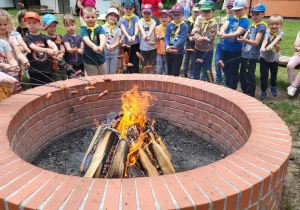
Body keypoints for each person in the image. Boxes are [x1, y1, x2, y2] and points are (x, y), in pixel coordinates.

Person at [219, 0, 250, 90]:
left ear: (245, 9)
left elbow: (237, 33)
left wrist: (224, 36)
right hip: (226, 48)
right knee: (225, 67)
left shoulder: (245, 21)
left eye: (238, 10)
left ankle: (232, 88)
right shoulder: (231, 18)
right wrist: (221, 31)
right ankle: (228, 83)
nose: (236, 12)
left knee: (233, 69)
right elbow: (224, 26)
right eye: (235, 10)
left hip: (236, 50)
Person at [237, 3, 266, 97]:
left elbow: (256, 42)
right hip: (245, 54)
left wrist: (245, 40)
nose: (254, 16)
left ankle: (250, 95)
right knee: (242, 76)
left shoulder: (261, 26)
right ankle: (245, 92)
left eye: (257, 14)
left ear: (263, 14)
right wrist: (241, 39)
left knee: (249, 76)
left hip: (252, 55)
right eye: (252, 14)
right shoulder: (251, 26)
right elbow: (244, 38)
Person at [23, 12, 58, 88]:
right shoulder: (27, 38)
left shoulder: (43, 36)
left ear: (40, 24)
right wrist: (47, 50)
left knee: (49, 89)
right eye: (29, 23)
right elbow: (34, 48)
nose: (32, 25)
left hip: (47, 69)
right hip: (35, 70)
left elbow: (50, 42)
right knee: (37, 89)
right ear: (26, 24)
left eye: (34, 23)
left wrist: (55, 48)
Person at [0, 9, 29, 91]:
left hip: (12, 71)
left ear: (9, 24)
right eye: (0, 24)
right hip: (1, 72)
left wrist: (24, 60)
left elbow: (18, 53)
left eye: (5, 24)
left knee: (14, 91)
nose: (2, 27)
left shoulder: (12, 38)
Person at [193, 1, 218, 82]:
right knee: (196, 68)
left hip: (207, 51)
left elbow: (208, 38)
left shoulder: (214, 24)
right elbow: (195, 31)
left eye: (208, 11)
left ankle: (211, 85)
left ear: (213, 12)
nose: (205, 13)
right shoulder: (200, 19)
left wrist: (197, 38)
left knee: (207, 69)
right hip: (197, 48)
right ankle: (195, 85)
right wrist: (198, 37)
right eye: (204, 11)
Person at [260, 14, 284, 100]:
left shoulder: (280, 32)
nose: (274, 26)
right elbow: (265, 39)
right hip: (264, 58)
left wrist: (271, 45)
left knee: (274, 74)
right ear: (268, 24)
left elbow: (277, 39)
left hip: (274, 58)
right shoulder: (267, 32)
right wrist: (263, 47)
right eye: (272, 24)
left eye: (277, 24)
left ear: (281, 25)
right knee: (264, 75)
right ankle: (263, 91)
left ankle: (273, 87)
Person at [81, 6, 107, 76]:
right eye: (87, 17)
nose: (90, 19)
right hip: (89, 60)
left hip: (101, 58)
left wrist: (101, 47)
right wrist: (94, 46)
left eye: (92, 17)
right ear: (83, 18)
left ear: (96, 17)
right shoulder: (83, 28)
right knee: (93, 79)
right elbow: (86, 39)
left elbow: (103, 37)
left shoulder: (99, 28)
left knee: (104, 77)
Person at [165, 3, 188, 76]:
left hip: (178, 52)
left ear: (182, 15)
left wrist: (174, 46)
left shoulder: (184, 26)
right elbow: (166, 36)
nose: (176, 17)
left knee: (175, 72)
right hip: (169, 50)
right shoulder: (169, 25)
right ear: (172, 15)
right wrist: (167, 46)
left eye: (178, 15)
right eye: (174, 15)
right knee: (169, 70)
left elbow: (182, 38)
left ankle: (174, 86)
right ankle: (168, 86)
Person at [43, 14, 67, 81]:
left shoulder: (59, 36)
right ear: (44, 26)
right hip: (53, 67)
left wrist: (61, 55)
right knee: (58, 83)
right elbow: (48, 52)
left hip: (62, 64)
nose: (52, 28)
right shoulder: (45, 39)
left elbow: (62, 47)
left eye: (54, 26)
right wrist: (55, 57)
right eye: (50, 26)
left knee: (66, 81)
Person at [214, 0, 234, 84]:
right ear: (226, 9)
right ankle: (219, 77)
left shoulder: (235, 20)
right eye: (228, 8)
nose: (230, 10)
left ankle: (227, 79)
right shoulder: (222, 19)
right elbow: (218, 30)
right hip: (220, 44)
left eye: (232, 8)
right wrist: (218, 33)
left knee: (226, 63)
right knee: (217, 61)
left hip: (229, 45)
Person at [119, 0, 140, 73]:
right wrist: (128, 36)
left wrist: (134, 36)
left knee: (135, 58)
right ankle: (128, 72)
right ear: (123, 9)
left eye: (130, 8)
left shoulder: (136, 17)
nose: (128, 10)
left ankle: (135, 74)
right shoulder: (121, 19)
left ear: (133, 9)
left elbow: (137, 27)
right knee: (127, 58)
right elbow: (123, 28)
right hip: (126, 42)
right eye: (126, 8)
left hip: (135, 41)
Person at [62, 14, 84, 78]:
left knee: (82, 79)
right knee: (73, 79)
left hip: (80, 62)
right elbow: (69, 50)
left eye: (72, 25)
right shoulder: (65, 37)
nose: (71, 27)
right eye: (68, 26)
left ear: (76, 25)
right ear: (64, 26)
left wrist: (81, 49)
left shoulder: (80, 36)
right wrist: (78, 50)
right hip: (70, 64)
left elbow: (82, 47)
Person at [182, 6, 200, 78]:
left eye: (197, 12)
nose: (196, 13)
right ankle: (184, 72)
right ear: (191, 12)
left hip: (196, 44)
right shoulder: (187, 21)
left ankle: (192, 72)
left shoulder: (199, 21)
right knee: (186, 59)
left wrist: (195, 37)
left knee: (194, 59)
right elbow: (184, 31)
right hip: (187, 43)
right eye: (195, 11)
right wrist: (189, 36)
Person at [138, 4, 156, 74]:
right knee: (144, 66)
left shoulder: (153, 21)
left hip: (152, 48)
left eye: (148, 13)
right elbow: (141, 29)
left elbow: (152, 28)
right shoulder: (140, 21)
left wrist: (148, 35)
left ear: (152, 14)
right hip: (143, 48)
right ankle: (144, 81)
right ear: (142, 13)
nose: (146, 15)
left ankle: (152, 80)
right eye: (145, 13)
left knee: (152, 66)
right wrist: (144, 35)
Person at [102, 8, 122, 74]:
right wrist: (107, 45)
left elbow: (118, 41)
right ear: (107, 17)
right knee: (106, 71)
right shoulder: (102, 27)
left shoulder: (117, 29)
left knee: (113, 72)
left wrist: (112, 47)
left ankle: (112, 84)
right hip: (105, 52)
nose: (113, 17)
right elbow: (102, 39)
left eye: (115, 16)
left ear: (117, 19)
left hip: (114, 53)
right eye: (111, 15)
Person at [155, 10, 170, 75]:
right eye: (162, 17)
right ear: (159, 19)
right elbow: (156, 38)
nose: (164, 19)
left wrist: (163, 37)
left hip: (168, 51)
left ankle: (164, 83)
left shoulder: (171, 27)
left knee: (166, 69)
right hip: (159, 51)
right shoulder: (158, 27)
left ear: (170, 18)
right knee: (159, 68)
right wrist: (158, 37)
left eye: (166, 17)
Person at [286, 30, 300, 97]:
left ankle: (294, 86)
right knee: (290, 65)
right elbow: (297, 42)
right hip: (298, 55)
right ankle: (292, 86)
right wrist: (297, 47)